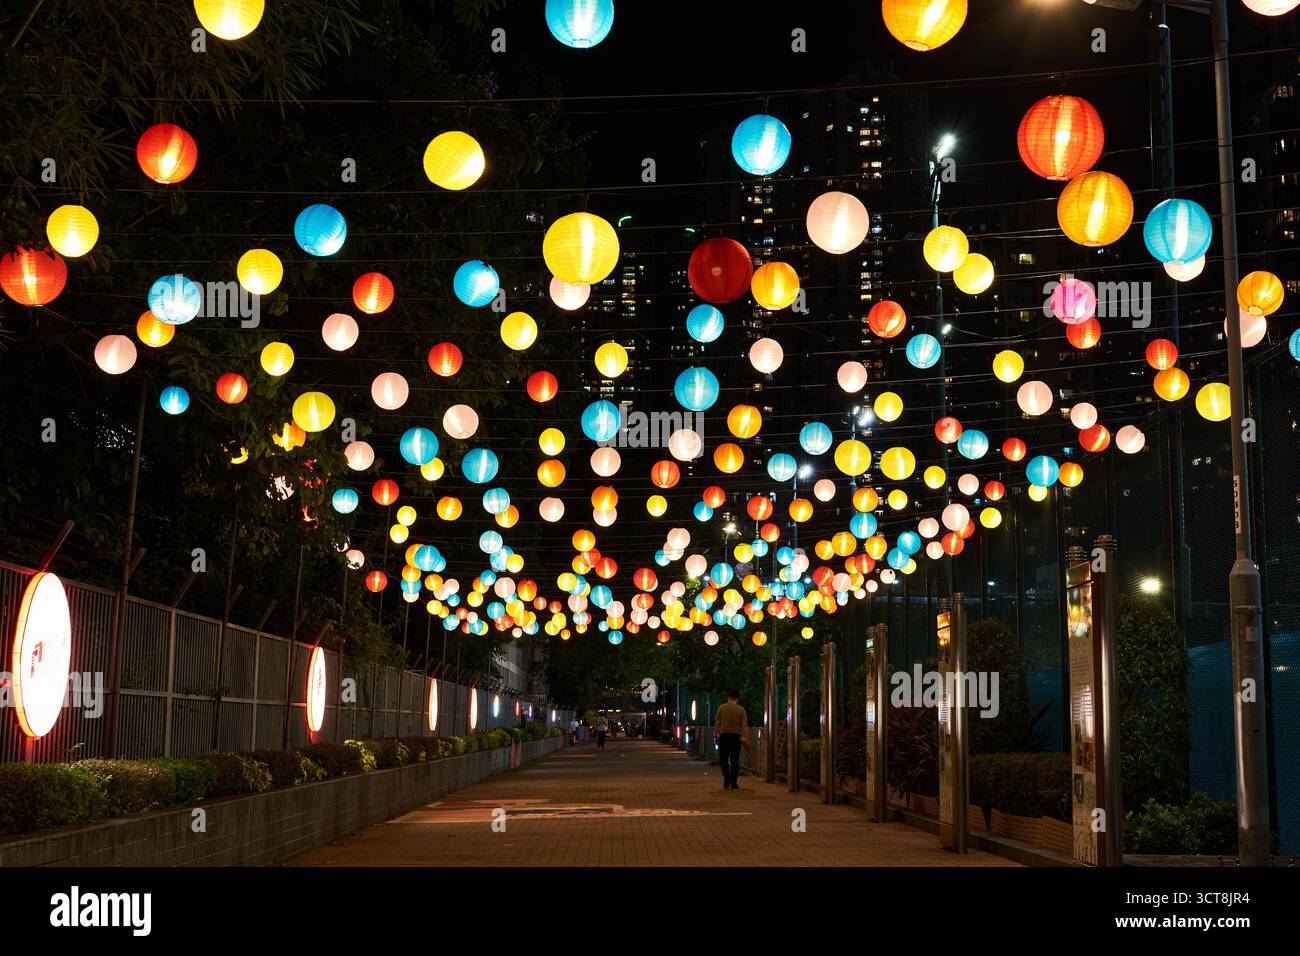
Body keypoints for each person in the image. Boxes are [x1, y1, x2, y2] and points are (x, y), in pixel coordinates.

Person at [713, 689, 749, 790]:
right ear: (737, 697)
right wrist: (747, 738)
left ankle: (726, 778)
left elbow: (717, 722)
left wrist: (715, 735)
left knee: (723, 759)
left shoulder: (721, 707)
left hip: (724, 736)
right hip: (736, 737)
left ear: (728, 696)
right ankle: (734, 783)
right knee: (735, 760)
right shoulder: (741, 709)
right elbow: (744, 725)